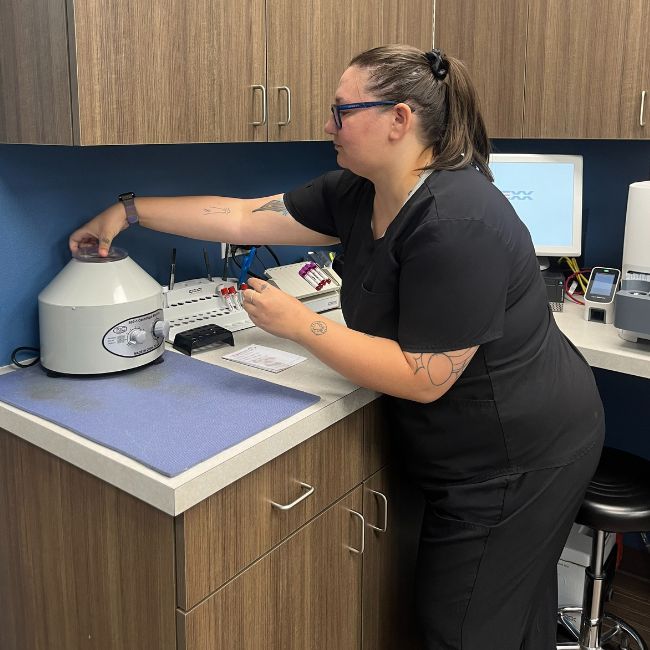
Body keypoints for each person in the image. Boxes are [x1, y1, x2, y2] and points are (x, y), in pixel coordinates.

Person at [69, 45, 605, 650]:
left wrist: (300, 325)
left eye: (342, 111)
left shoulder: (458, 221)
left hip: (522, 456)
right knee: (507, 615)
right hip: (472, 447)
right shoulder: (358, 192)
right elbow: (244, 218)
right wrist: (128, 211)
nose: (327, 126)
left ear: (399, 119)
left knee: (460, 629)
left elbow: (425, 375)